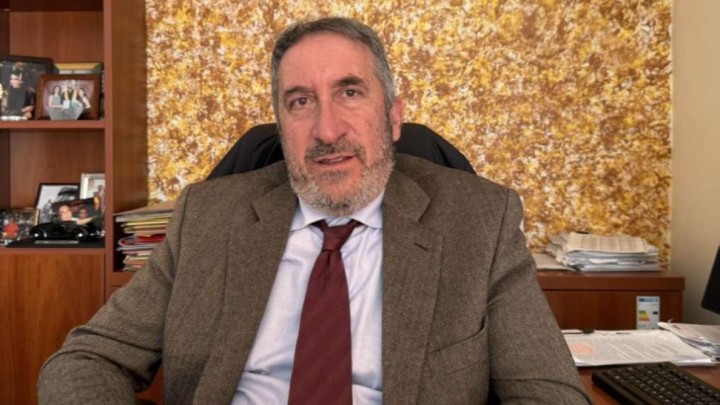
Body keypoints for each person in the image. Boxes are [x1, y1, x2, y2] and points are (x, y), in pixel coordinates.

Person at [38, 17, 590, 404]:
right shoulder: (208, 217)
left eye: (350, 92)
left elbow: (549, 393)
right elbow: (86, 360)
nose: (326, 130)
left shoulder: (480, 222)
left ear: (393, 117)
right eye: (300, 102)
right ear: (281, 126)